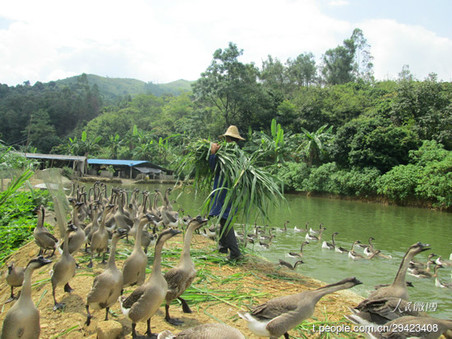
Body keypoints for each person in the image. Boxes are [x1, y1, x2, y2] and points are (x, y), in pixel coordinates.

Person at [208, 125, 244, 261]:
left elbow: (214, 168)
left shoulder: (225, 154)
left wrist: (213, 154)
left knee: (225, 219)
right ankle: (222, 246)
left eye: (228, 139)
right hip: (230, 191)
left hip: (224, 191)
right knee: (223, 218)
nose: (228, 141)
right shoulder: (238, 155)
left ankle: (235, 253)